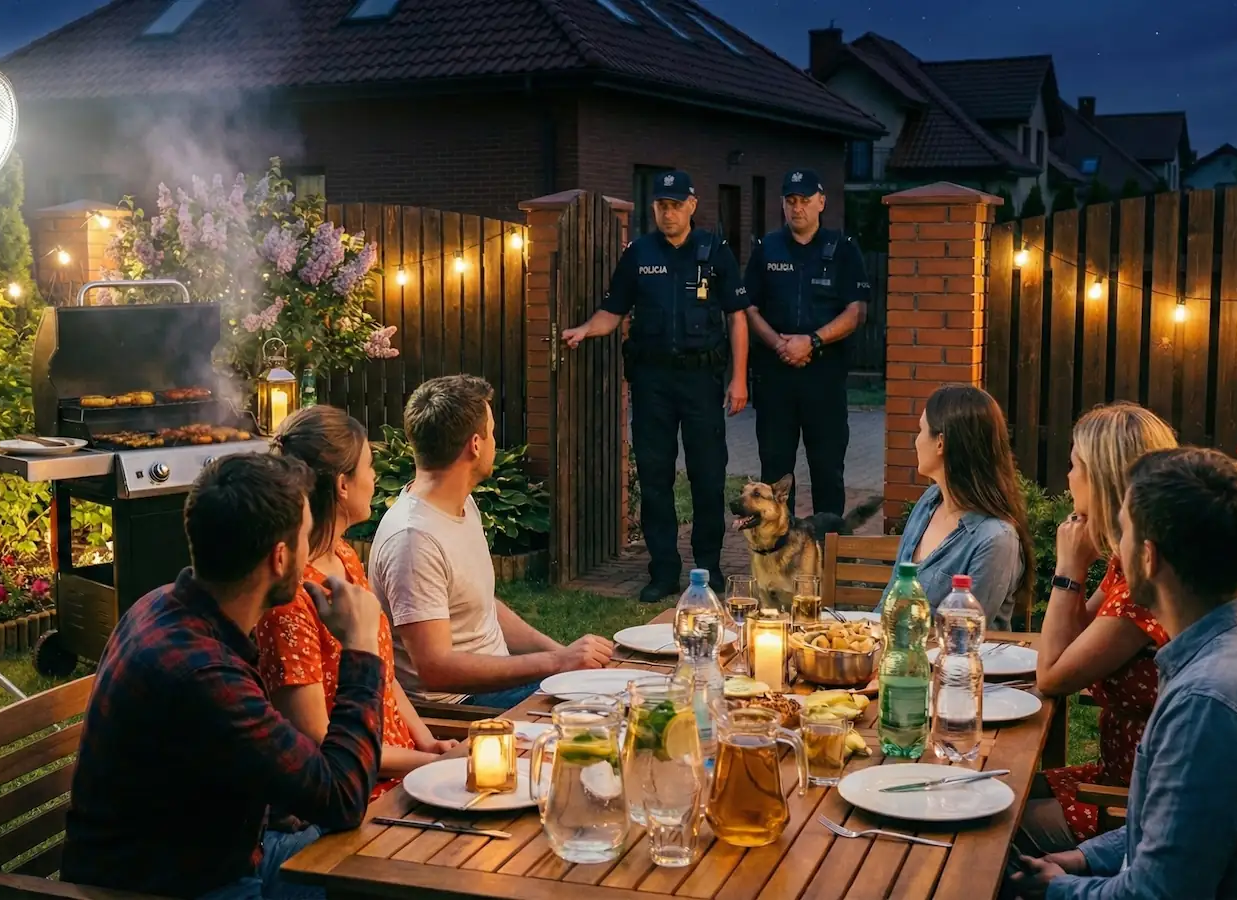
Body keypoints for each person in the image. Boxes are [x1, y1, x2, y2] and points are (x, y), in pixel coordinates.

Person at [63, 453, 384, 900]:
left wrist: (270, 805)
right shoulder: (204, 675)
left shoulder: (163, 606)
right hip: (177, 889)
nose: (313, 552)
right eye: (307, 538)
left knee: (380, 856)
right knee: (375, 873)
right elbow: (343, 798)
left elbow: (205, 764)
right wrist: (362, 648)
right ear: (279, 558)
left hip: (216, 855)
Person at [1010, 447, 1237, 900]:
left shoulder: (1208, 704)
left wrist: (1059, 890)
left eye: (1123, 532)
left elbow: (1158, 893)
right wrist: (1085, 859)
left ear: (1148, 558)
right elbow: (1172, 830)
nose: (1115, 544)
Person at [559, 170, 750, 603]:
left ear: (692, 206)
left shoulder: (715, 252)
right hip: (652, 383)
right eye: (662, 206)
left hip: (702, 380)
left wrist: (739, 379)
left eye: (676, 205)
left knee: (707, 476)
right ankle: (663, 571)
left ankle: (709, 568)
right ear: (654, 209)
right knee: (655, 477)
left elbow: (737, 316)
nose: (669, 212)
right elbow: (613, 310)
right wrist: (585, 330)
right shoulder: (639, 254)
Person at [369, 375, 614, 708]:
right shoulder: (414, 541)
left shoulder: (460, 504)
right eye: (493, 432)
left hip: (496, 687)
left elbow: (481, 608)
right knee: (612, 708)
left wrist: (562, 655)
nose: (495, 442)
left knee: (619, 685)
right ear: (475, 444)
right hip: (459, 705)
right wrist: (557, 665)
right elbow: (435, 668)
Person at [259, 406, 460, 800]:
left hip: (402, 771)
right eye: (369, 466)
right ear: (342, 485)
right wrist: (429, 765)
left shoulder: (345, 556)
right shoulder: (290, 600)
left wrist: (427, 742)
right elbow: (318, 740)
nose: (375, 478)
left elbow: (380, 670)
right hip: (357, 796)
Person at [1033, 403, 1178, 842]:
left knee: (986, 832)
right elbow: (1076, 637)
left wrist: (1069, 570)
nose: (1067, 477)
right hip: (1114, 780)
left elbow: (1053, 675)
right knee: (985, 790)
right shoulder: (1129, 562)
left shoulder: (1146, 585)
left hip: (1133, 809)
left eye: (1074, 465)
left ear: (1103, 478)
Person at [742, 168, 871, 520]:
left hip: (824, 377)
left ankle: (828, 554)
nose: (797, 208)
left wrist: (811, 341)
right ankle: (779, 557)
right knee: (775, 472)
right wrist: (780, 344)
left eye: (805, 200)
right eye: (791, 201)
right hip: (775, 377)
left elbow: (856, 311)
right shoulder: (767, 249)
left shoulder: (843, 250)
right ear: (783, 204)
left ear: (821, 202)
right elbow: (748, 306)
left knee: (827, 470)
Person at [877, 385, 1032, 630]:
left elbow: (961, 636)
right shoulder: (930, 501)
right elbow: (890, 598)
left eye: (921, 430)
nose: (916, 441)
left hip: (959, 666)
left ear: (941, 443)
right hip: (898, 659)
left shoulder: (995, 539)